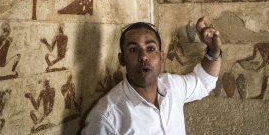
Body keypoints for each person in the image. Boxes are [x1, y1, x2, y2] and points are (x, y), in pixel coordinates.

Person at [83, 16, 222, 134]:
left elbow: (203, 82)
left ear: (161, 56)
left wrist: (213, 51)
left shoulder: (172, 86)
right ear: (122, 59)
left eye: (150, 49)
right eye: (133, 50)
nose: (143, 57)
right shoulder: (106, 118)